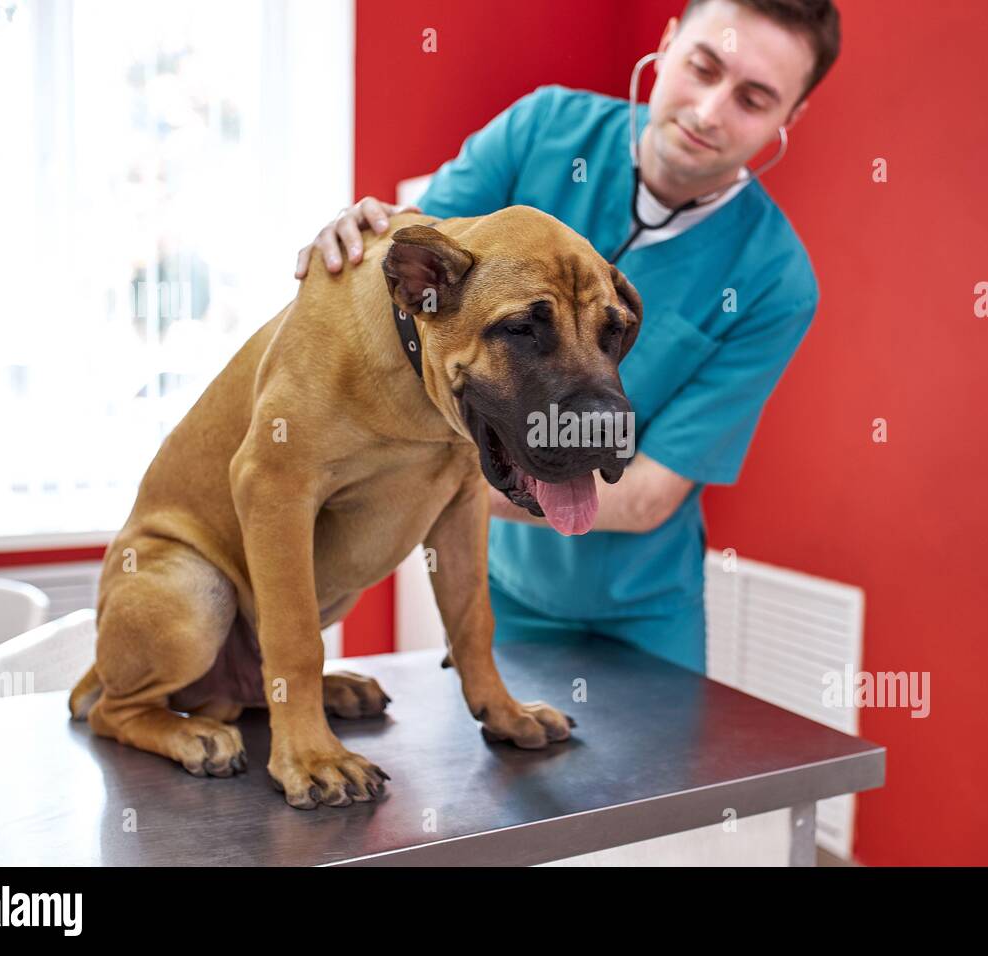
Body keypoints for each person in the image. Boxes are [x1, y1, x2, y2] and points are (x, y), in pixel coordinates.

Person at [295, 0, 841, 675]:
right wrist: (359, 246)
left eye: (754, 99)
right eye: (702, 67)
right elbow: (415, 275)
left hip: (642, 611)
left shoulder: (773, 278)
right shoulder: (542, 131)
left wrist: (427, 485)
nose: (708, 111)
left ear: (790, 119)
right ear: (667, 44)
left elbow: (643, 498)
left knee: (662, 779)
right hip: (497, 586)